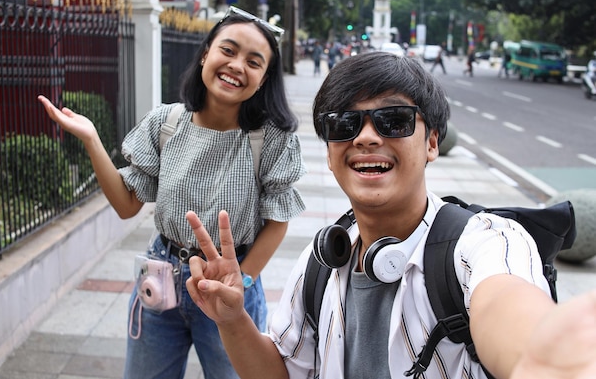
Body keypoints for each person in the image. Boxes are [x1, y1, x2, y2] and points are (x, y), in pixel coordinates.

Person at [183, 52, 596, 379]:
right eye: (344, 124)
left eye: (393, 120)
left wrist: (546, 355)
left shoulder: (486, 242)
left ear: (432, 142)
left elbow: (508, 308)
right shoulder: (321, 260)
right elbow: (281, 374)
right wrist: (233, 320)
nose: (365, 136)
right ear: (329, 153)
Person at [37, 6, 306, 379]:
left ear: (263, 79)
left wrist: (240, 280)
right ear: (205, 54)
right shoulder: (165, 122)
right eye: (227, 50)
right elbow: (127, 204)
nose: (236, 65)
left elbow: (278, 222)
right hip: (162, 277)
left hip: (229, 284)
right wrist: (93, 140)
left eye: (253, 61)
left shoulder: (271, 139)